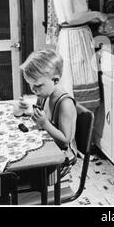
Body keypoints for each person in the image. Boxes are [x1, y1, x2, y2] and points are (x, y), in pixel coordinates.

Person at [53, 0, 106, 111]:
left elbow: (79, 16)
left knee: (83, 99)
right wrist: (95, 14)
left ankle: (82, 135)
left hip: (81, 38)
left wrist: (93, 18)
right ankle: (72, 136)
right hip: (72, 42)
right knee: (74, 91)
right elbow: (70, 18)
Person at [15, 49, 77, 177]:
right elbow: (44, 118)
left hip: (61, 160)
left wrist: (44, 123)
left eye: (37, 85)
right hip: (49, 149)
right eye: (30, 84)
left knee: (18, 174)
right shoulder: (44, 94)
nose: (33, 89)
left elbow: (65, 141)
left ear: (55, 80)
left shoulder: (65, 103)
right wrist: (26, 111)